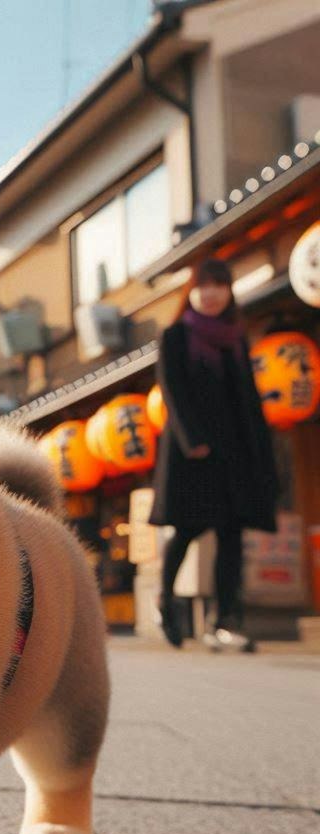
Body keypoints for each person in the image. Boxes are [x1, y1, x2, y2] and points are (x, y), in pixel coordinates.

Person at [150, 258, 277, 652]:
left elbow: (248, 402)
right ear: (192, 291)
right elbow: (172, 390)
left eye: (219, 285)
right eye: (205, 286)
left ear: (229, 292)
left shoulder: (236, 339)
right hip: (193, 454)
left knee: (232, 535)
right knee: (186, 529)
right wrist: (194, 440)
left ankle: (224, 622)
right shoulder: (174, 335)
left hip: (234, 455)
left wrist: (262, 452)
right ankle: (166, 602)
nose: (211, 293)